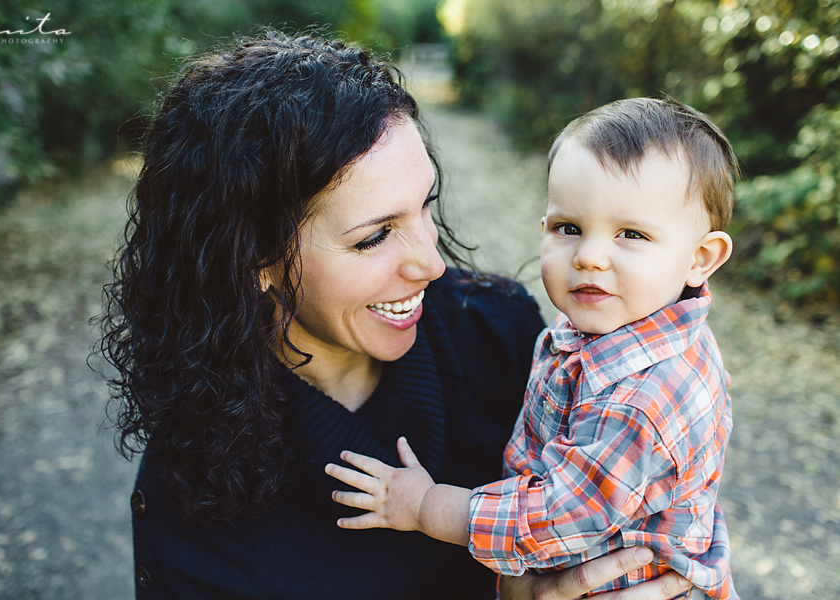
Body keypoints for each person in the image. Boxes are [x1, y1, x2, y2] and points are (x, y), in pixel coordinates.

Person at [98, 30, 703, 599]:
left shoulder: (502, 337)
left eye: (425, 208)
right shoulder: (198, 499)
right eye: (374, 237)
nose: (432, 266)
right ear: (253, 257)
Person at [327, 97, 738, 598]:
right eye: (570, 228)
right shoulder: (616, 328)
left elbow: (561, 518)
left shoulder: (646, 398)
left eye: (631, 234)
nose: (589, 256)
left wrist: (428, 507)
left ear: (701, 258)